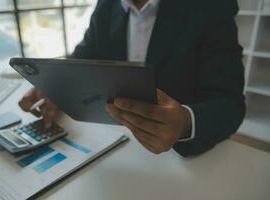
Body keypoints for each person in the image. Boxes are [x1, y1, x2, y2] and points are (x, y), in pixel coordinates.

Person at [18, 0, 246, 157]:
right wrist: (55, 85)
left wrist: (184, 123)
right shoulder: (107, 6)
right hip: (117, 148)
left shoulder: (211, 6)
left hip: (184, 161)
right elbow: (83, 56)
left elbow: (230, 104)